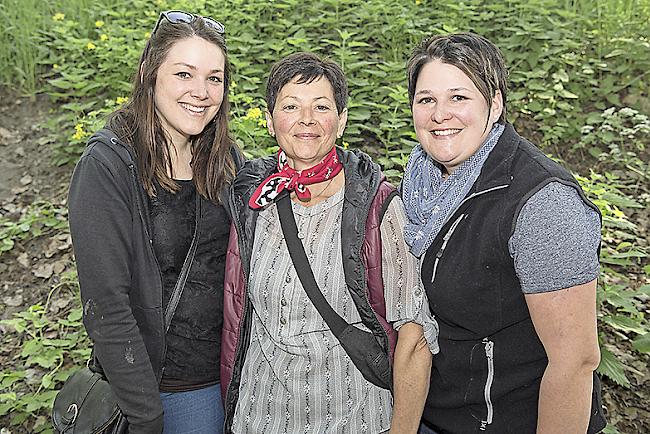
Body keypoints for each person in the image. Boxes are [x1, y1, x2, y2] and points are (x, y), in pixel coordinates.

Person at [220, 52, 437, 434]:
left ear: (341, 121)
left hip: (354, 418)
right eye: (290, 106)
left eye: (321, 106)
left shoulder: (376, 208)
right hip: (258, 417)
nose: (306, 119)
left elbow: (414, 337)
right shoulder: (250, 200)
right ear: (270, 122)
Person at [401, 33, 606, 434]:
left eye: (459, 97)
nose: (440, 114)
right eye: (427, 99)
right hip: (438, 412)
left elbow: (576, 361)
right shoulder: (421, 184)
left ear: (494, 104)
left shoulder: (542, 203)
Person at [68, 11, 242, 434]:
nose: (201, 93)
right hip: (164, 392)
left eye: (214, 78)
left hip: (236, 380)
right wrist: (147, 415)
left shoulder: (223, 159)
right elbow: (107, 306)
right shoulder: (109, 167)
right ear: (149, 72)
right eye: (185, 74)